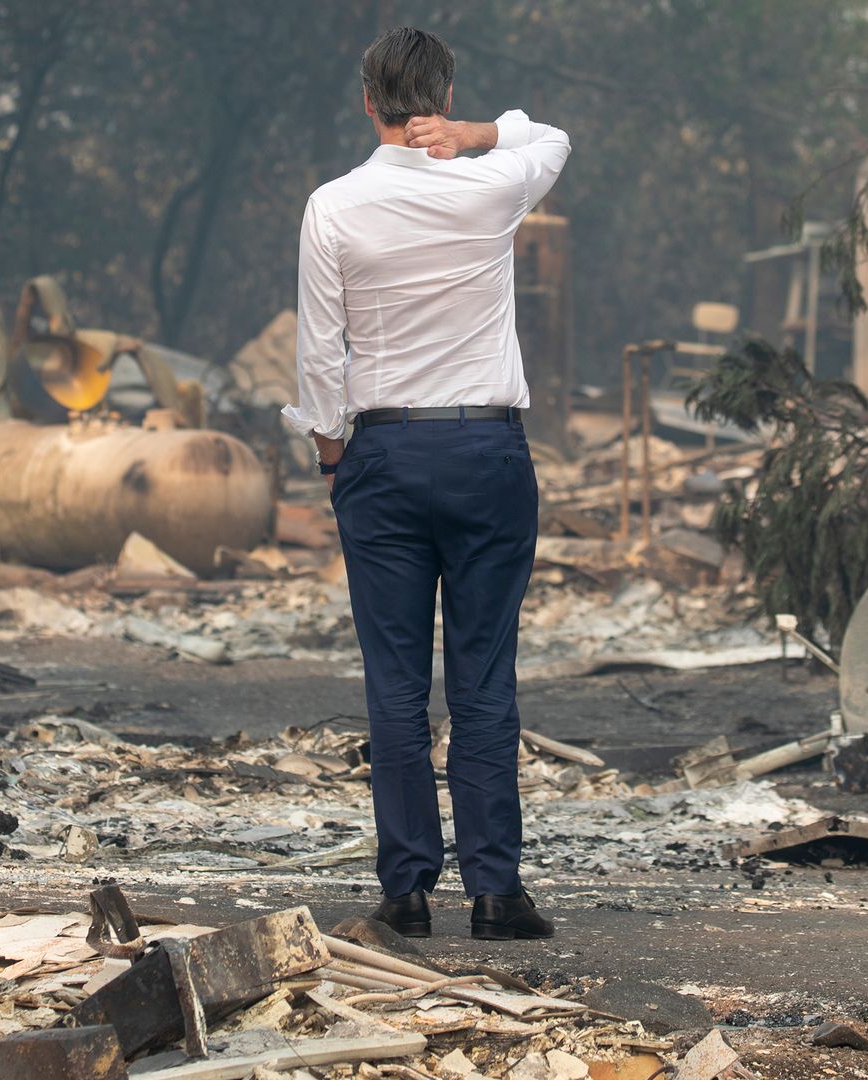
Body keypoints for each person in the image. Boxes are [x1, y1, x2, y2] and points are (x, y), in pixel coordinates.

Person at [281, 26, 570, 941]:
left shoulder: (332, 206)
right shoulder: (491, 184)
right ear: (443, 97)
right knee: (484, 676)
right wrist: (478, 134)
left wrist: (335, 460)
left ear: (367, 103)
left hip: (384, 456)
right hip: (488, 453)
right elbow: (552, 139)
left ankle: (406, 892)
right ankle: (496, 894)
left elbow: (320, 354)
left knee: (395, 684)